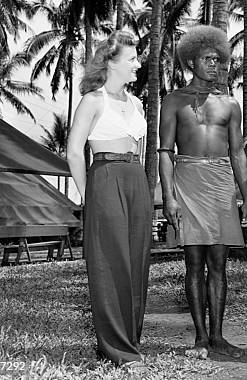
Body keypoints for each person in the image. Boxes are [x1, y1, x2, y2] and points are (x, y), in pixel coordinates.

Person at [158, 25, 247, 360]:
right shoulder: (173, 101)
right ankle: (200, 338)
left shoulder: (230, 105)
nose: (215, 65)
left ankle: (218, 336)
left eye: (218, 59)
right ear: (191, 61)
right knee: (193, 261)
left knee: (219, 263)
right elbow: (165, 152)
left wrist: (246, 196)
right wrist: (168, 197)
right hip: (187, 179)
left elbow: (238, 152)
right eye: (208, 59)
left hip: (221, 183)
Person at [66, 30, 151, 369]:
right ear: (111, 63)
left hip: (136, 179)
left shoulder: (136, 102)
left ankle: (129, 340)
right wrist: (91, 198)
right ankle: (120, 351)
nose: (137, 64)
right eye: (131, 59)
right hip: (105, 178)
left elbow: (140, 148)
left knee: (136, 264)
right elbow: (74, 152)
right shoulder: (93, 99)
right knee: (110, 266)